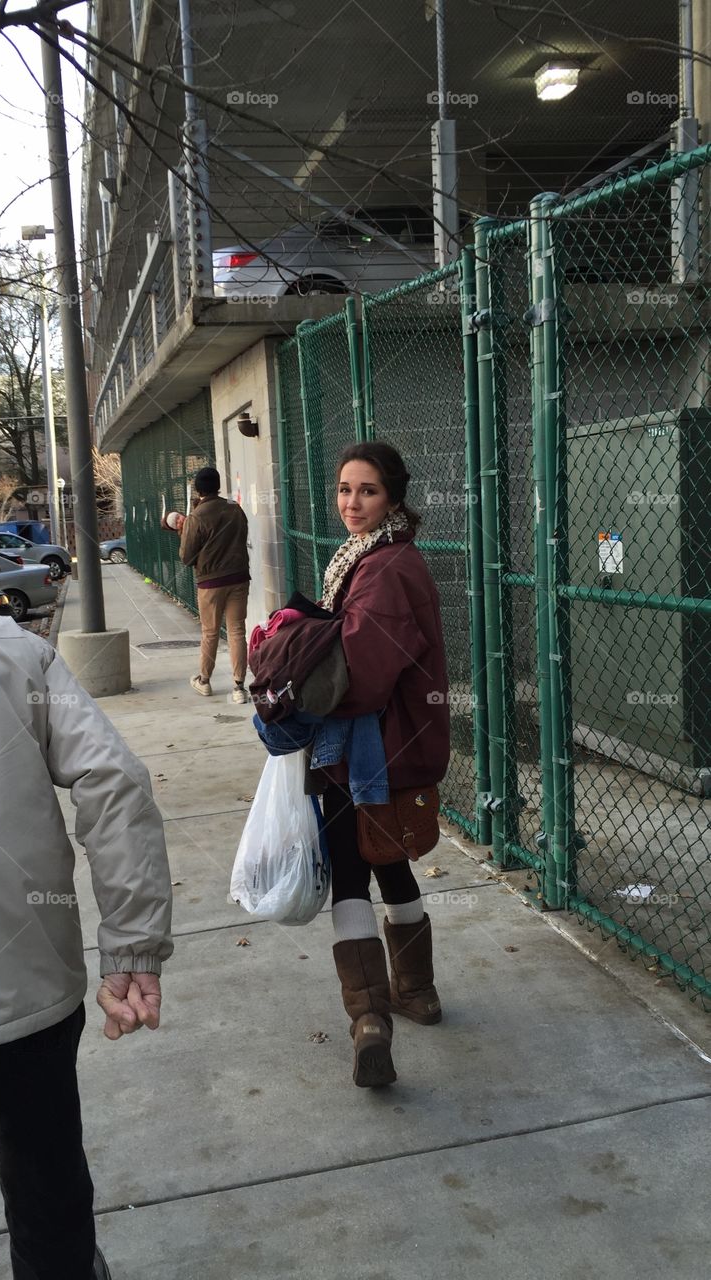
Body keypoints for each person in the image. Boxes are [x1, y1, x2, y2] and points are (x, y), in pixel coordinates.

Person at [0, 581, 173, 1280]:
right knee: (47, 1188)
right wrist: (132, 946)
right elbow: (115, 780)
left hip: (29, 988)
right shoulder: (12, 652)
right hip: (25, 984)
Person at [319, 441, 450, 1088]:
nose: (351, 503)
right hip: (392, 748)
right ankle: (418, 991)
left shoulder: (384, 569)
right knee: (389, 857)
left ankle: (370, 1017)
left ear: (393, 497)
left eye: (366, 491)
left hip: (365, 748)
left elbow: (363, 674)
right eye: (344, 489)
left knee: (350, 870)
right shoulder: (382, 558)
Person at [176, 466, 251, 703]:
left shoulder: (197, 516)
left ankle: (205, 681)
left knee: (210, 632)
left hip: (210, 582)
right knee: (237, 631)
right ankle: (239, 687)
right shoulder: (235, 508)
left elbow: (186, 557)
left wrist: (182, 532)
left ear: (198, 490)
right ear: (218, 486)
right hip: (238, 577)